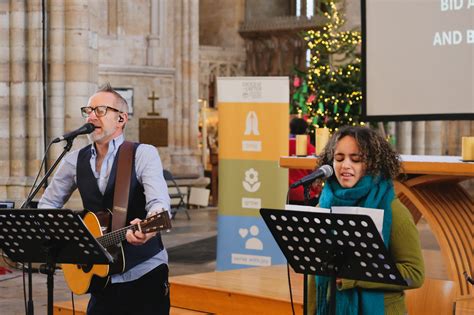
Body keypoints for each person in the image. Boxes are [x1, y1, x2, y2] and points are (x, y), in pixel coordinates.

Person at [38, 83, 171, 315]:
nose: (91, 116)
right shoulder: (73, 160)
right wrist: (72, 243)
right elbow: (47, 206)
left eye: (100, 110)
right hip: (100, 277)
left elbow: (159, 205)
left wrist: (149, 228)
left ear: (121, 118)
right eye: (88, 110)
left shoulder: (142, 153)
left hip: (144, 272)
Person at [307, 126, 425, 315]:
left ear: (372, 164)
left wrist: (353, 276)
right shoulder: (323, 205)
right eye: (339, 158)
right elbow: (314, 277)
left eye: (356, 159)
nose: (345, 165)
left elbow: (414, 275)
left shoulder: (394, 210)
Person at [288, 117, 320, 205]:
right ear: (306, 130)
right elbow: (316, 174)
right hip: (306, 195)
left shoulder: (282, 146)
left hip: (286, 193)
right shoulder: (311, 149)